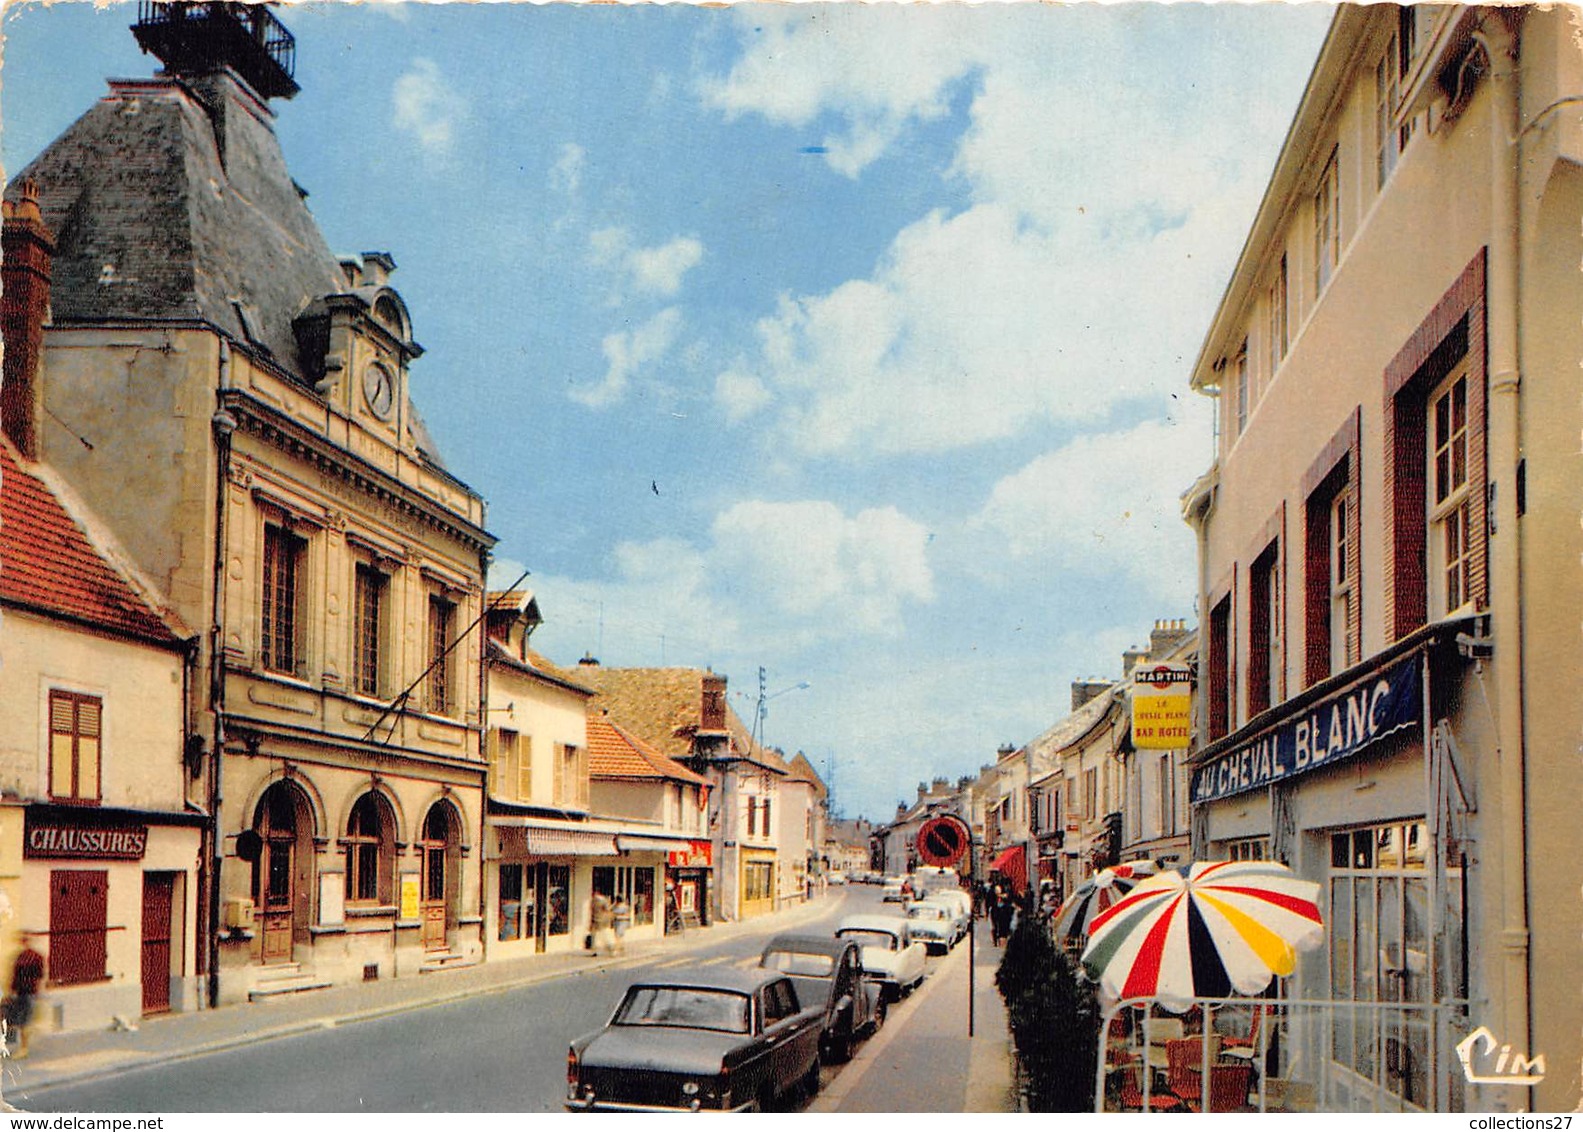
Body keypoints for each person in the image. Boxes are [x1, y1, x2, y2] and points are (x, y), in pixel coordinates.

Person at [4, 933, 43, 1059]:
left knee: (23, 1021)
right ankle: (23, 1047)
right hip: (29, 992)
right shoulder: (37, 956)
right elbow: (40, 976)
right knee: (24, 1021)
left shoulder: (21, 957)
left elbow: (15, 977)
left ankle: (24, 1049)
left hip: (22, 992)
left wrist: (11, 991)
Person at [588, 891, 615, 957]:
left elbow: (592, 913)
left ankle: (595, 951)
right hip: (603, 921)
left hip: (595, 921)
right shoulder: (603, 901)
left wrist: (590, 923)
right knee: (606, 936)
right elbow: (607, 910)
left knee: (595, 937)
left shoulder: (592, 902)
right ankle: (611, 949)